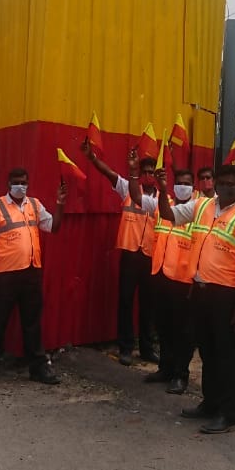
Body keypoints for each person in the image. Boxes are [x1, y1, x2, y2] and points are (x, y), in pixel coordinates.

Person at [157, 164, 235, 435]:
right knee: (207, 352)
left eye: (231, 184)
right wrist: (161, 188)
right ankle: (210, 403)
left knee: (225, 355)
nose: (226, 187)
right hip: (200, 290)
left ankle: (228, 414)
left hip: (226, 295)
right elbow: (168, 214)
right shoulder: (201, 207)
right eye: (222, 183)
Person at [0, 167, 67, 390]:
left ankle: (38, 368)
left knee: (32, 324)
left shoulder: (34, 205)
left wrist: (60, 203)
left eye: (24, 182)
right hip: (5, 275)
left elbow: (53, 227)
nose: (20, 185)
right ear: (8, 183)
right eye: (16, 182)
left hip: (31, 272)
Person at [83, 140, 158, 367]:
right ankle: (126, 348)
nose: (147, 175)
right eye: (144, 171)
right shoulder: (128, 188)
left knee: (148, 305)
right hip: (130, 254)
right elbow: (109, 174)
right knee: (125, 302)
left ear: (156, 175)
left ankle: (147, 348)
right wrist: (93, 158)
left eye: (150, 172)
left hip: (151, 256)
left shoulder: (163, 199)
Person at [145, 166, 197, 395]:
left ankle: (180, 374)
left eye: (187, 183)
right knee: (163, 326)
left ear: (193, 187)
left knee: (182, 331)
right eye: (180, 182)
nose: (183, 186)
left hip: (183, 280)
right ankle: (165, 368)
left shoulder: (197, 211)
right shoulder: (164, 206)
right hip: (160, 274)